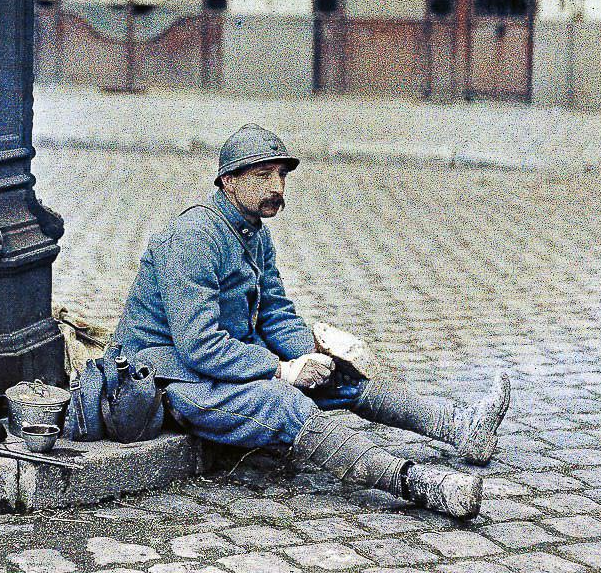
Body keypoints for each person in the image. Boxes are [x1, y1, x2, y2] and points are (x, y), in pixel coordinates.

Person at [110, 124, 511, 519]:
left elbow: (275, 312)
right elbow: (198, 345)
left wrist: (314, 356)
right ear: (228, 181)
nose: (277, 188)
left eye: (281, 176)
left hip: (216, 365)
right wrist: (282, 370)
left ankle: (462, 428)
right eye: (263, 175)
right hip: (165, 379)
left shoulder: (253, 232)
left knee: (340, 378)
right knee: (283, 403)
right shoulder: (194, 236)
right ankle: (421, 484)